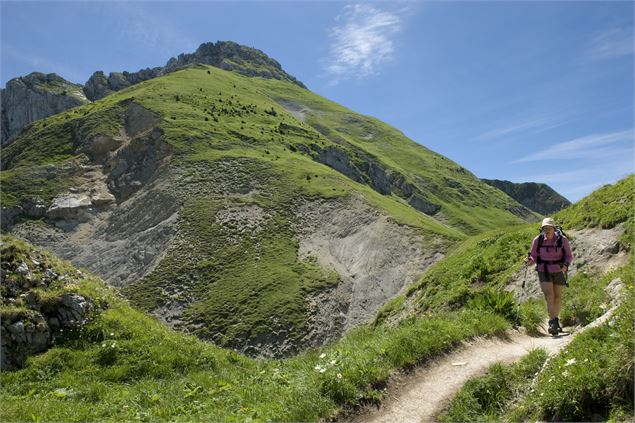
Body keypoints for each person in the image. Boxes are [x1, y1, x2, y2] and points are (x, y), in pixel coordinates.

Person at [524, 217, 573, 335]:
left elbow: (568, 256)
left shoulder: (562, 239)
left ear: (554, 228)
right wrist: (529, 260)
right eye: (544, 228)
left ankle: (556, 320)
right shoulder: (538, 240)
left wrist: (565, 265)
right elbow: (534, 256)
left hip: (559, 270)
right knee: (549, 295)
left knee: (558, 296)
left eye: (549, 228)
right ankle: (552, 322)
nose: (547, 230)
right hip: (543, 270)